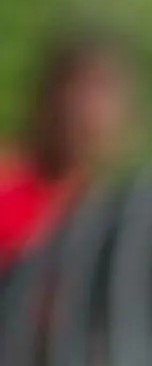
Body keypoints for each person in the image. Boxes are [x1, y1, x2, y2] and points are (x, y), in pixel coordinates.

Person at [0, 27, 136, 266]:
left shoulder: (110, 211)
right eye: (79, 90)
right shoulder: (8, 182)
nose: (89, 112)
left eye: (104, 93)